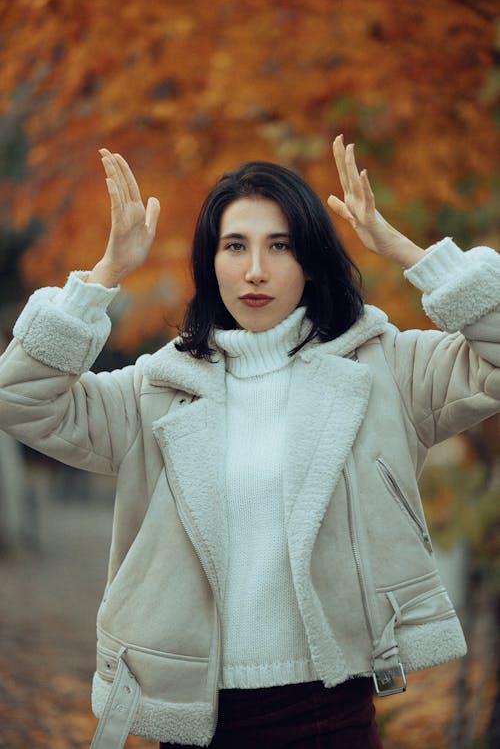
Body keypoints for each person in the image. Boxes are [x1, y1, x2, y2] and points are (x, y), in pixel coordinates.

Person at [0, 135, 499, 749]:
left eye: (280, 246)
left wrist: (408, 253)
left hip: (329, 708)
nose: (255, 270)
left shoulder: (386, 370)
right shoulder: (157, 390)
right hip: (192, 711)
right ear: (211, 262)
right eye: (235, 246)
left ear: (310, 260)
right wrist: (103, 277)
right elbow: (19, 397)